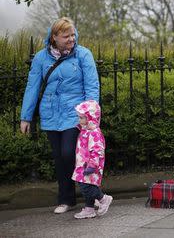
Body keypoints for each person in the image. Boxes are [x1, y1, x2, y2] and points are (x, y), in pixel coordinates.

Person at [20, 17, 99, 213]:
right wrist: (25, 117)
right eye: (66, 36)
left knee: (69, 153)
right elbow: (32, 87)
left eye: (73, 34)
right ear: (54, 37)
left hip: (76, 114)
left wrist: (91, 116)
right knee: (59, 157)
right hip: (50, 114)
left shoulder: (83, 55)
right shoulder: (40, 58)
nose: (71, 39)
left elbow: (91, 86)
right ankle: (66, 200)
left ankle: (95, 195)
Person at [72, 100, 112, 219]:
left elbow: (97, 151)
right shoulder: (86, 130)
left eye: (82, 118)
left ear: (91, 118)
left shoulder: (94, 133)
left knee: (86, 186)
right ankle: (89, 208)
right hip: (82, 164)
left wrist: (93, 166)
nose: (80, 120)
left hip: (90, 166)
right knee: (87, 184)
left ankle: (103, 199)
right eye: (79, 117)